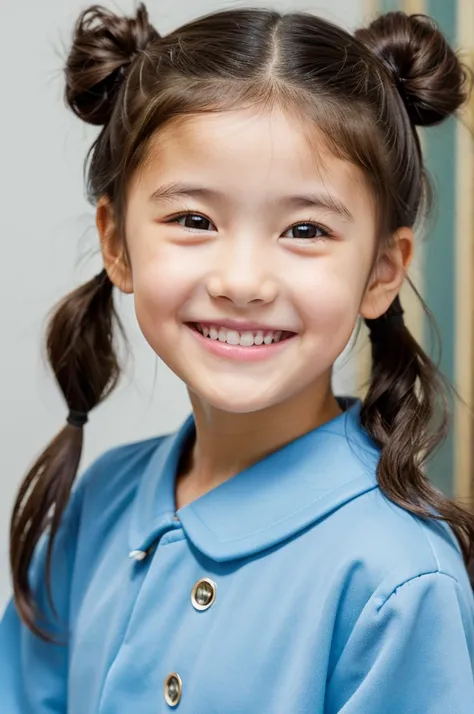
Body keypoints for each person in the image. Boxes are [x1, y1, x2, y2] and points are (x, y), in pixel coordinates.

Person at [1, 4, 474, 712]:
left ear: (382, 270)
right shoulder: (99, 502)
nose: (243, 281)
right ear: (117, 242)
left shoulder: (398, 580)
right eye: (194, 220)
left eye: (305, 229)